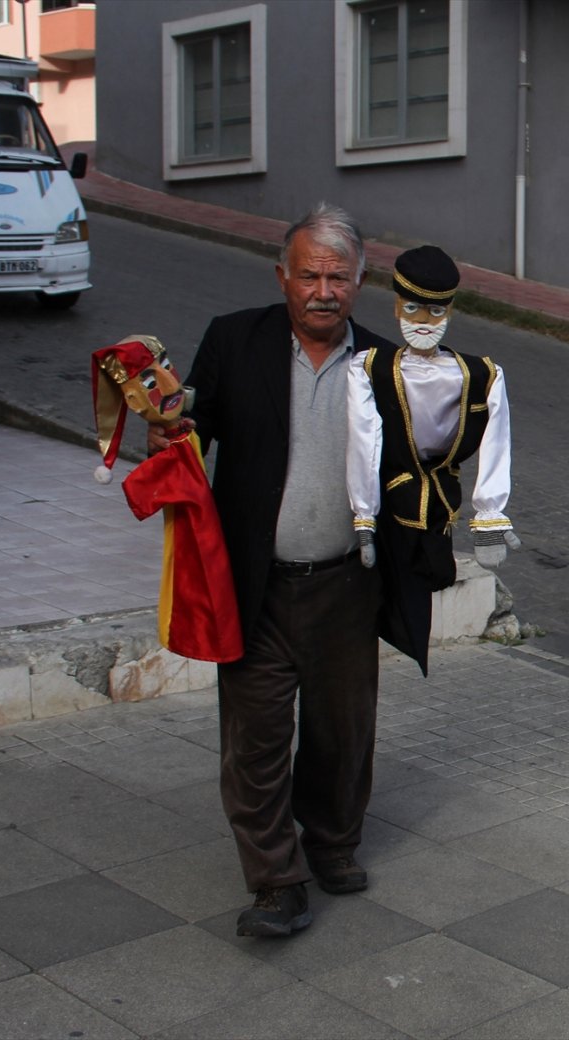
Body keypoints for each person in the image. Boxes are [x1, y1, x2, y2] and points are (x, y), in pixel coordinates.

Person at [148, 203, 395, 938]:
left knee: (341, 732)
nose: (324, 291)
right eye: (310, 275)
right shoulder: (234, 340)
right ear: (283, 276)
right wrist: (169, 420)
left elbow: (416, 465)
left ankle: (333, 843)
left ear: (360, 282)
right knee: (253, 740)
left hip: (348, 585)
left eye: (339, 278)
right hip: (255, 586)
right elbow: (192, 424)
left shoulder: (382, 364)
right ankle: (276, 882)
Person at [347, 245, 519, 675]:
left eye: (435, 312)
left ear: (450, 312)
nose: (423, 321)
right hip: (390, 506)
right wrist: (364, 515)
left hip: (441, 508)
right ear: (396, 305)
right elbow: (363, 441)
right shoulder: (368, 368)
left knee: (430, 578)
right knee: (382, 597)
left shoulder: (481, 374)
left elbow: (498, 441)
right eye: (413, 308)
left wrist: (491, 516)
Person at [91, 335, 242, 663]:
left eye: (168, 367)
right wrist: (167, 439)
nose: (170, 381)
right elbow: (200, 424)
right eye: (150, 378)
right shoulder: (234, 336)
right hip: (244, 573)